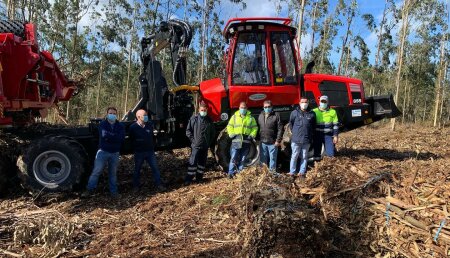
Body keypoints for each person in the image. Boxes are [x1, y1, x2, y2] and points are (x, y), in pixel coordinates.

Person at [82, 107, 125, 198]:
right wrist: (115, 137)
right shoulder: (103, 124)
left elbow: (121, 138)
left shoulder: (120, 125)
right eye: (110, 113)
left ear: (116, 115)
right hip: (103, 152)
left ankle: (114, 192)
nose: (112, 115)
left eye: (114, 113)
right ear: (107, 114)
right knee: (97, 171)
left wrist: (111, 137)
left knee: (113, 173)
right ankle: (89, 190)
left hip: (115, 153)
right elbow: (104, 135)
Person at [129, 109, 165, 192]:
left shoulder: (149, 125)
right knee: (137, 169)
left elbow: (153, 136)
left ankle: (159, 184)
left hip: (150, 152)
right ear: (138, 117)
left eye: (146, 115)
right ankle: (135, 186)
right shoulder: (133, 127)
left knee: (155, 168)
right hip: (139, 152)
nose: (146, 117)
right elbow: (131, 139)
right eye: (144, 115)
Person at [185, 102, 215, 184]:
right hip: (196, 146)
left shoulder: (209, 120)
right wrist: (193, 141)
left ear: (207, 110)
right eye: (202, 110)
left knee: (202, 163)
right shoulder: (194, 119)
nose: (203, 111)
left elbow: (213, 133)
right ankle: (188, 179)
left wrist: (208, 142)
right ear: (199, 110)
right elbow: (188, 131)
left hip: (205, 146)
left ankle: (199, 178)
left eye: (204, 110)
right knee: (193, 162)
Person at [226, 102, 258, 178]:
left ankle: (239, 173)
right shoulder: (234, 117)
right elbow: (229, 126)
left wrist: (252, 135)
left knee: (243, 158)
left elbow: (255, 127)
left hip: (246, 141)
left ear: (247, 108)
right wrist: (231, 134)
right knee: (234, 157)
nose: (243, 109)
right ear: (239, 108)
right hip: (236, 140)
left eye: (244, 108)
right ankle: (230, 173)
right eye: (241, 107)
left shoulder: (251, 118)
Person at [289, 97, 316, 178]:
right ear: (299, 103)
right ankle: (292, 172)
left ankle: (302, 172)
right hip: (296, 139)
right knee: (294, 156)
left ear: (308, 103)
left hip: (306, 139)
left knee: (304, 156)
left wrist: (310, 136)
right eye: (302, 102)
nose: (304, 104)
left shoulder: (312, 113)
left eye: (306, 102)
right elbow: (291, 124)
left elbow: (313, 126)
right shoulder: (294, 113)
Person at [257, 100, 283, 172]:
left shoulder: (276, 115)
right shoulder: (261, 115)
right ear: (263, 107)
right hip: (263, 142)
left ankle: (272, 173)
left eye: (269, 107)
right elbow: (259, 128)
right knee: (263, 159)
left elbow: (280, 129)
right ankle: (264, 173)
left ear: (272, 107)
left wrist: (278, 140)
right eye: (265, 107)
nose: (267, 108)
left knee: (273, 159)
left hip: (273, 142)